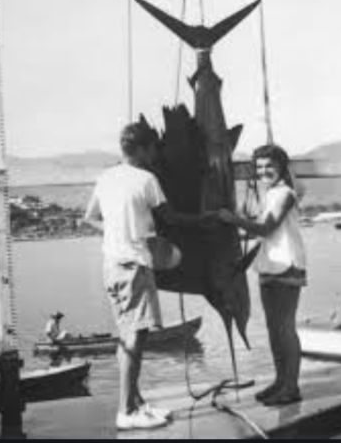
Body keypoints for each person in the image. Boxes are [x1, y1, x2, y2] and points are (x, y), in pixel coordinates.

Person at [83, 122, 210, 431]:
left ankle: (136, 401)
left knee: (126, 335)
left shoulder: (105, 177)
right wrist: (207, 220)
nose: (155, 155)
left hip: (112, 266)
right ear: (142, 149)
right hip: (134, 267)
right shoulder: (147, 179)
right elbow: (171, 218)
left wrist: (117, 232)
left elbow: (88, 218)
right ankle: (126, 411)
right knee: (135, 337)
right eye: (153, 148)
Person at [218, 144, 307, 407]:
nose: (264, 171)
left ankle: (291, 387)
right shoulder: (270, 194)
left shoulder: (285, 193)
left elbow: (266, 228)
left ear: (282, 166)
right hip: (269, 265)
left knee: (285, 328)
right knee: (273, 329)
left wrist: (232, 219)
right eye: (259, 167)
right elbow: (262, 233)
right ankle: (281, 381)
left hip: (287, 265)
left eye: (270, 166)